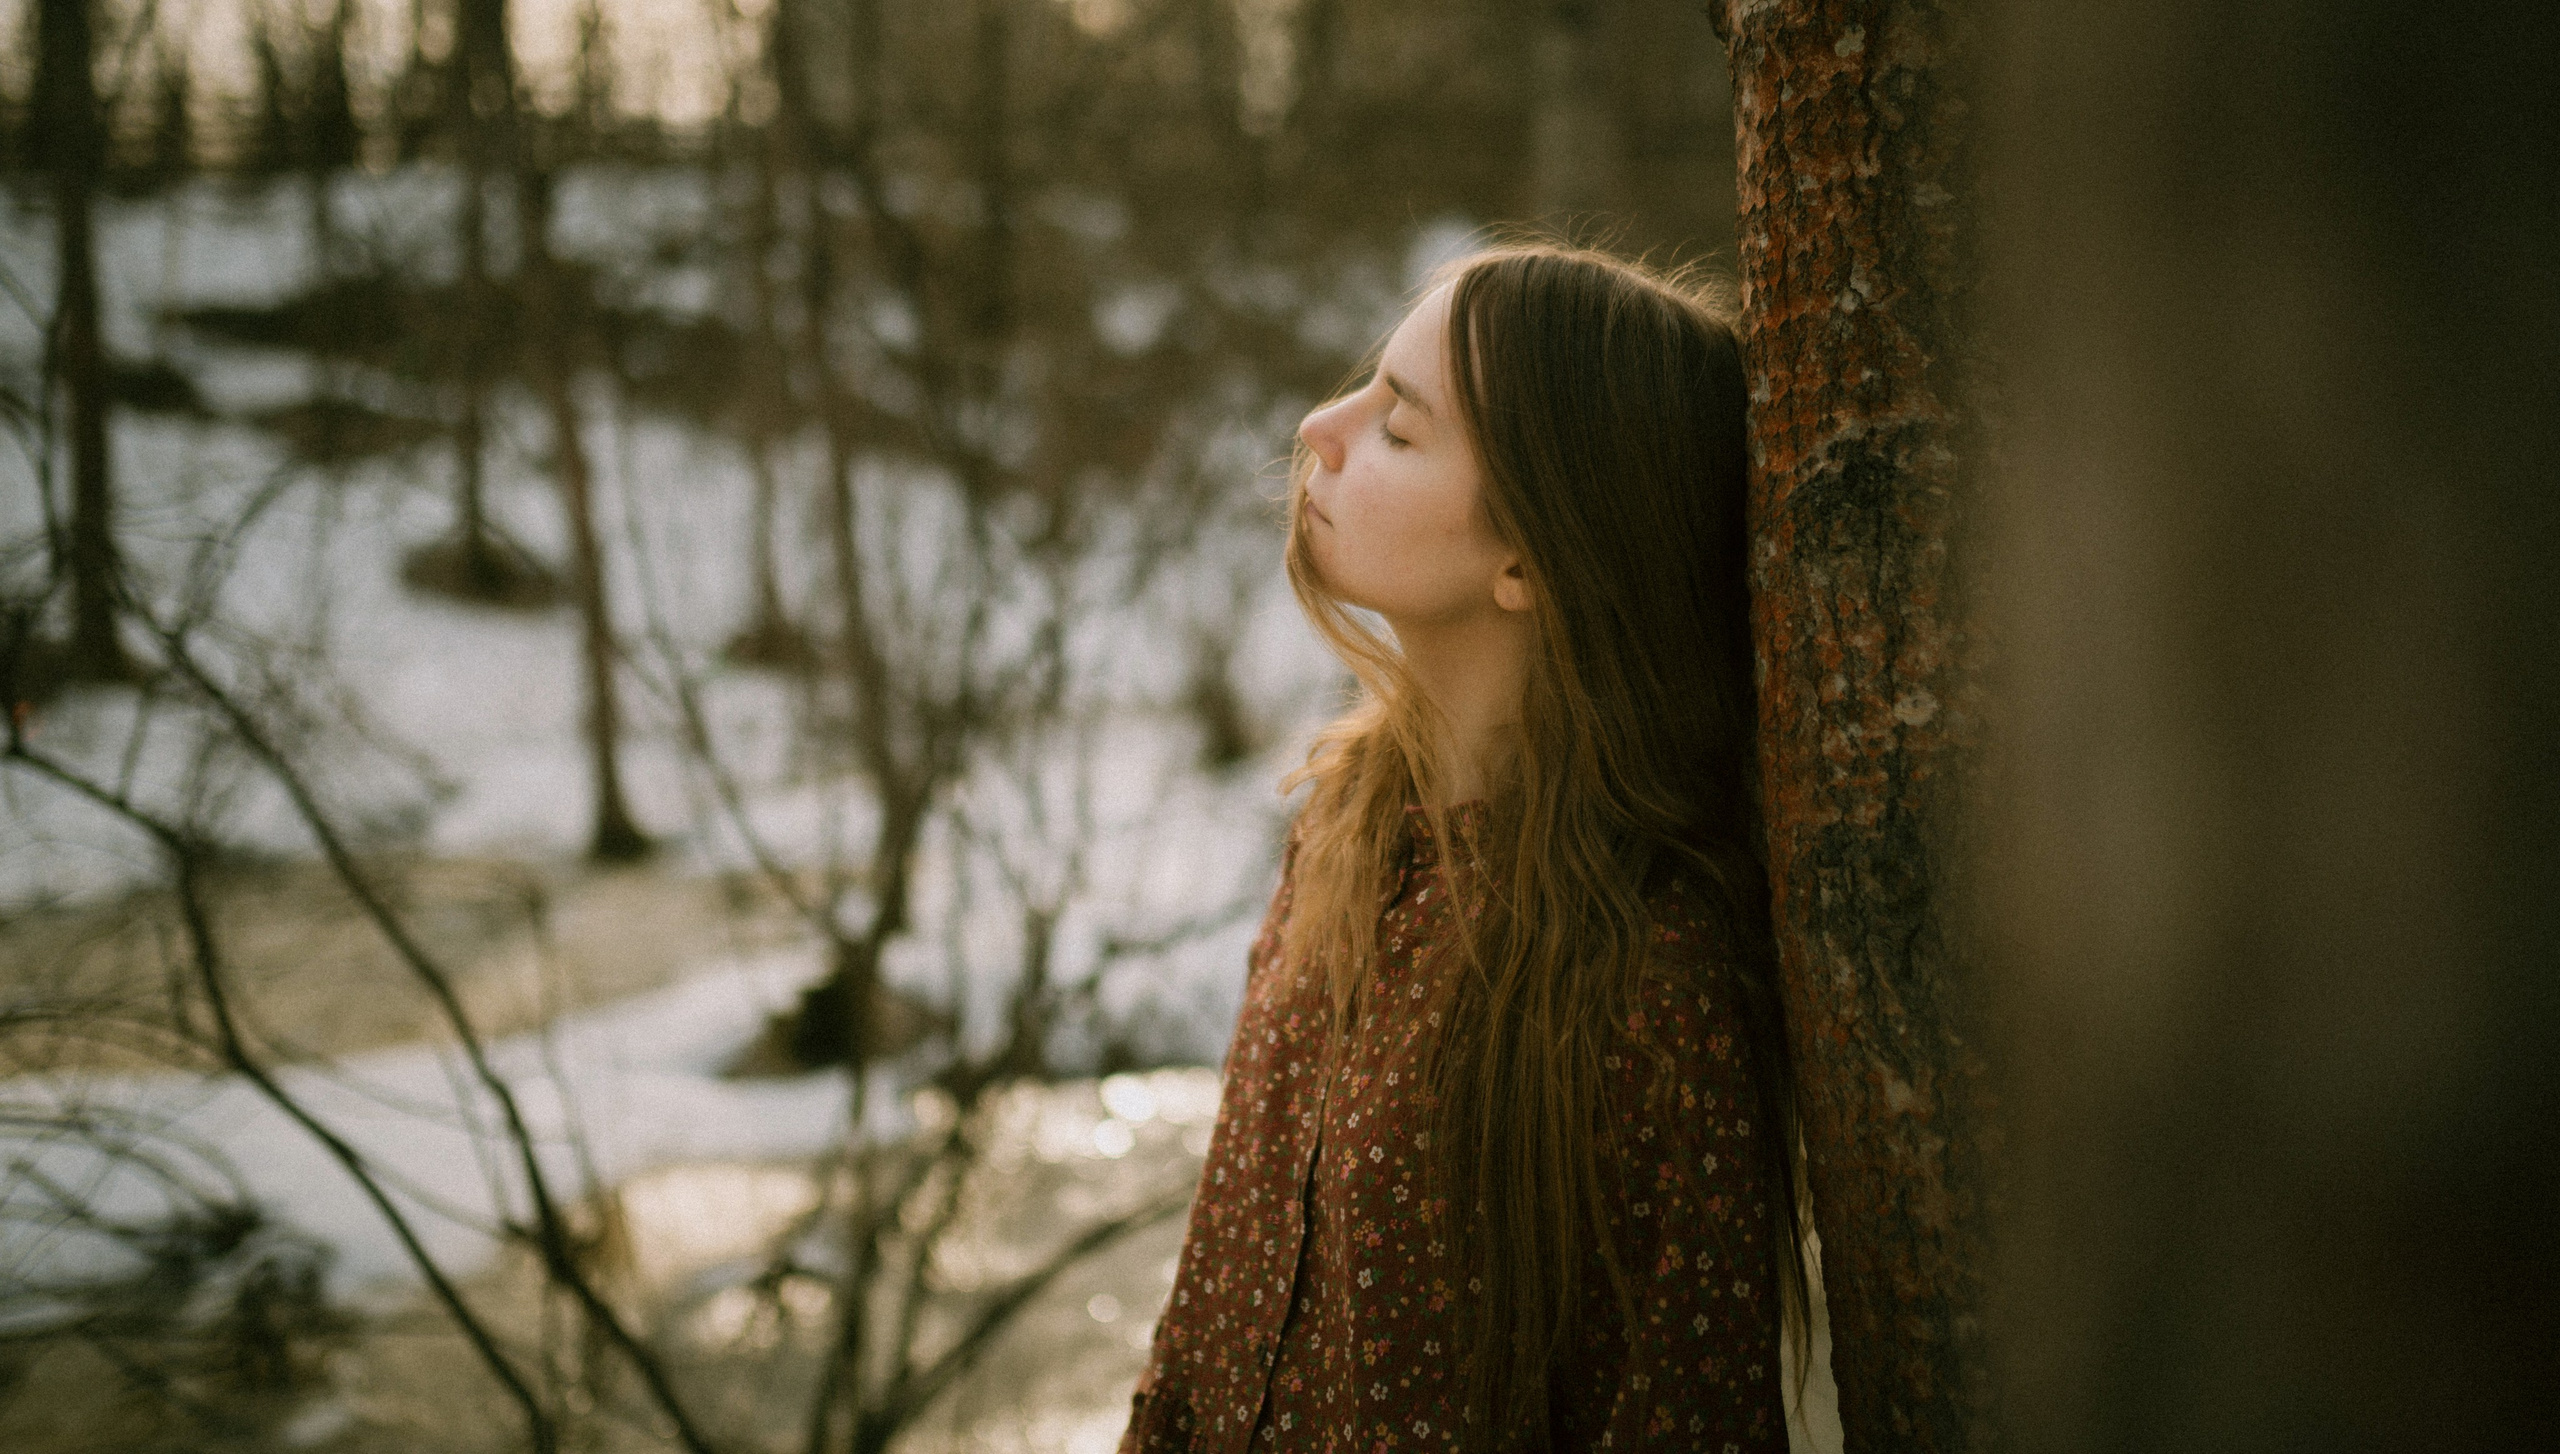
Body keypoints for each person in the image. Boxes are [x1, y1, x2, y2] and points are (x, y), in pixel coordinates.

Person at [1121, 244, 1807, 1454]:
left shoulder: (1650, 983)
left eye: (1397, 427)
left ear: (1528, 559)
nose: (1318, 429)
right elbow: (1204, 1321)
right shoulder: (1345, 822)